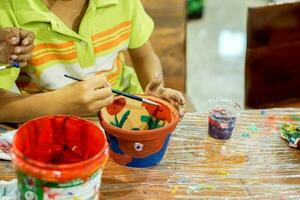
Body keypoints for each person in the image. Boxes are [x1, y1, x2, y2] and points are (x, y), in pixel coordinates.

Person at [0, 0, 185, 123]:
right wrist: (59, 104)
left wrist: (154, 94)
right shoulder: (9, 9)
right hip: (51, 127)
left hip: (126, 112)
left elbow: (144, 55)